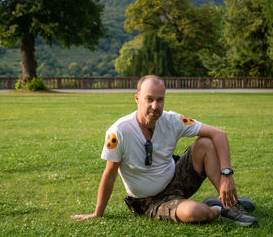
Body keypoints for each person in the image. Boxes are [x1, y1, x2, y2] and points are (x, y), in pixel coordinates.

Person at [72, 75, 258, 226]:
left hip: (176, 179)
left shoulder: (172, 120)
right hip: (151, 200)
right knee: (198, 213)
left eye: (160, 100)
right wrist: (98, 213)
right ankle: (217, 207)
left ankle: (231, 206)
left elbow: (219, 134)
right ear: (137, 99)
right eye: (149, 99)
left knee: (206, 143)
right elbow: (110, 173)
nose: (155, 106)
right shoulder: (119, 131)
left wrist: (227, 175)